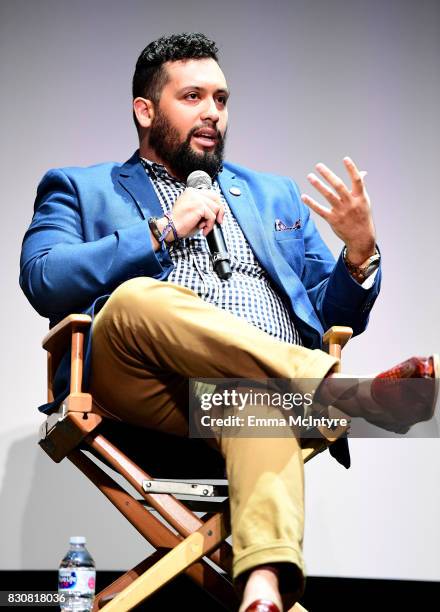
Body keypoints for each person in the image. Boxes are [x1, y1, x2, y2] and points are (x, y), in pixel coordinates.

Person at [20, 33, 438, 612]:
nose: (212, 112)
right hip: (139, 384)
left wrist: (361, 251)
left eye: (221, 98)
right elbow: (43, 277)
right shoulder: (79, 186)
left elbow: (335, 311)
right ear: (145, 110)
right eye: (192, 96)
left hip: (243, 394)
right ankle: (340, 395)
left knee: (258, 405)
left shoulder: (273, 195)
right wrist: (162, 229)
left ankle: (262, 591)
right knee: (141, 297)